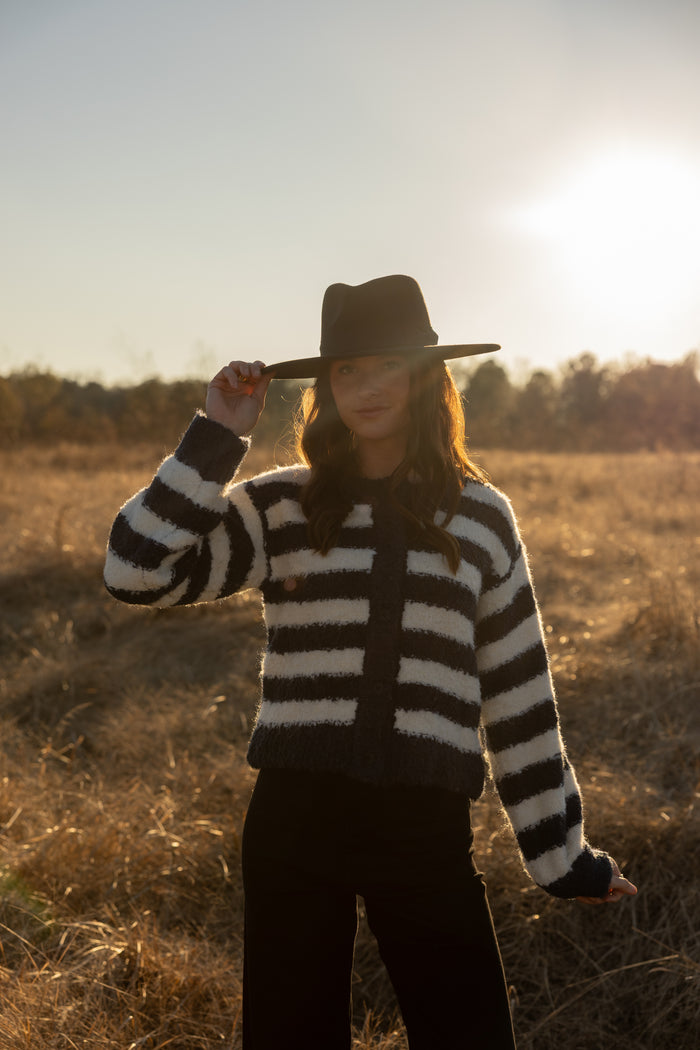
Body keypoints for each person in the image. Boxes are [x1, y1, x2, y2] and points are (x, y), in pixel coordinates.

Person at [104, 275, 637, 1049]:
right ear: (326, 387)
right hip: (294, 820)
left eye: (388, 364)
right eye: (347, 369)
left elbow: (519, 695)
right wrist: (216, 437)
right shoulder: (284, 507)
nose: (366, 386)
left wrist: (564, 857)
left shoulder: (482, 519)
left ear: (427, 378)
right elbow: (133, 571)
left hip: (424, 825)